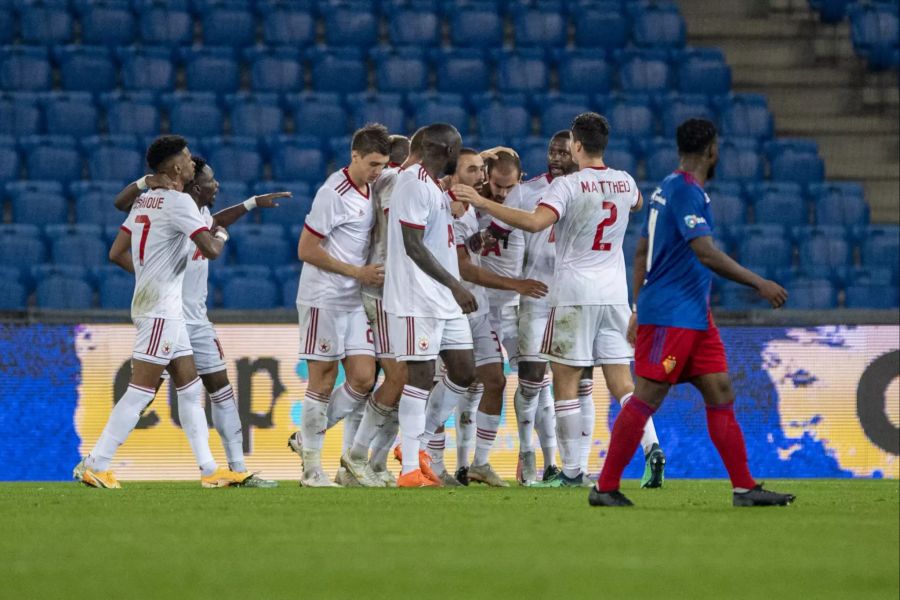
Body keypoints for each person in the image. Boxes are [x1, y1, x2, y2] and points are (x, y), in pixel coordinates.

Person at [589, 119, 795, 507]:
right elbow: (705, 251)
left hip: (694, 316)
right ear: (712, 151)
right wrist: (759, 283)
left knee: (720, 390)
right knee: (647, 396)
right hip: (671, 314)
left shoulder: (667, 188)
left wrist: (637, 305)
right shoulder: (685, 193)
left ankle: (744, 488)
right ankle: (604, 487)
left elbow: (640, 253)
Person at [452, 113, 654, 488]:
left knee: (567, 383)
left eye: (566, 148)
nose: (559, 155)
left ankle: (571, 470)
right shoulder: (624, 180)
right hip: (606, 296)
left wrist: (481, 201)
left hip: (572, 295)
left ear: (577, 146)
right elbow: (639, 204)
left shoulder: (569, 187)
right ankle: (649, 447)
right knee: (613, 382)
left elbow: (532, 223)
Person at [110, 156, 291, 488]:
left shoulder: (198, 213)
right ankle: (99, 459)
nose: (216, 184)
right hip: (167, 316)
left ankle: (233, 469)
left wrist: (251, 204)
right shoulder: (170, 210)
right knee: (144, 394)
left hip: (196, 321)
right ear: (194, 186)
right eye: (211, 180)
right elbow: (211, 242)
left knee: (217, 390)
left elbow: (217, 219)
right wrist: (152, 278)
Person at [74, 135, 239, 488]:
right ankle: (97, 463)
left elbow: (120, 235)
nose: (192, 162)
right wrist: (222, 234)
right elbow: (209, 249)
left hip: (164, 307)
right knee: (141, 391)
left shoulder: (145, 199)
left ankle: (210, 470)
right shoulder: (179, 203)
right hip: (160, 310)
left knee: (190, 388)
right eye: (186, 157)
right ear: (177, 166)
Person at [420, 148, 548, 487]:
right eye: (477, 172)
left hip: (481, 308)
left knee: (494, 381)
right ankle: (427, 459)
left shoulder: (482, 209)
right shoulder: (445, 204)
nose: (499, 191)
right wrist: (516, 283)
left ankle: (478, 463)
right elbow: (463, 266)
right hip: (450, 307)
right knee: (450, 384)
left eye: (481, 170)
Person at [288, 124, 391, 487]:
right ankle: (312, 469)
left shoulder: (370, 186)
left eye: (383, 165)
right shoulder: (333, 192)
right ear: (355, 156)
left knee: (364, 378)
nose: (378, 171)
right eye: (373, 164)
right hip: (324, 297)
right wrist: (357, 271)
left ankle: (305, 439)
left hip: (352, 299)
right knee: (324, 377)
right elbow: (306, 249)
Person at [383, 123, 477, 488]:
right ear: (442, 148)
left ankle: (414, 444)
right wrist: (455, 284)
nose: (460, 153)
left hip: (443, 300)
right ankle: (408, 469)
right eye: (457, 147)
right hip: (417, 297)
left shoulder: (433, 186)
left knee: (464, 370)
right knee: (420, 377)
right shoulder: (412, 183)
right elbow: (413, 245)